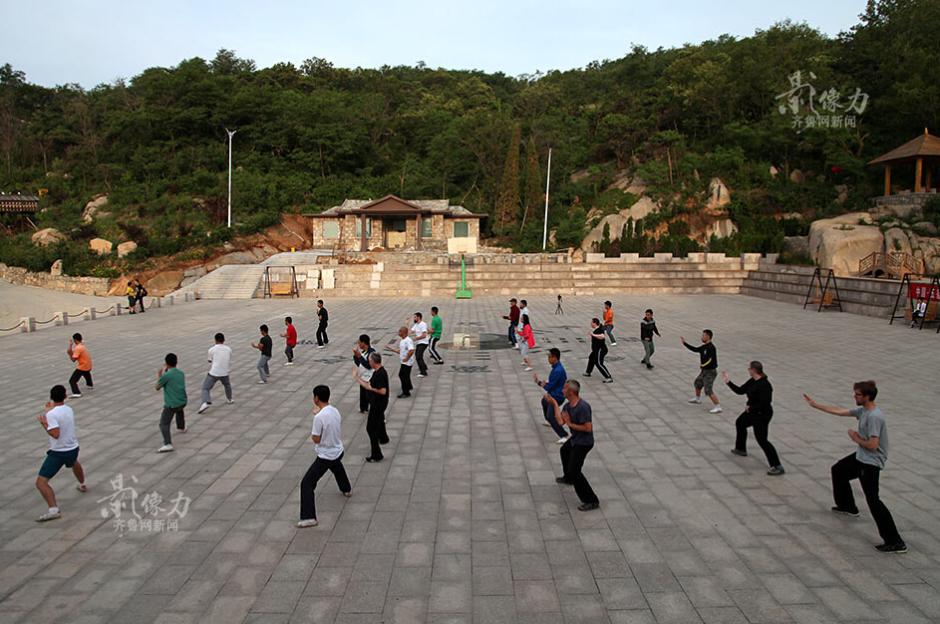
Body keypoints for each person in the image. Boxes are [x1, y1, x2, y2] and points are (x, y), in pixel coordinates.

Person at [803, 382, 907, 554]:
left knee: (874, 501)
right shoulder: (863, 410)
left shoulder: (874, 416)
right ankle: (847, 506)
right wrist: (816, 405)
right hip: (861, 457)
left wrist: (855, 438)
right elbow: (841, 411)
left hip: (870, 462)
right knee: (838, 470)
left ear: (867, 396)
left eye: (858, 395)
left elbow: (873, 445)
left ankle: (895, 541)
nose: (855, 397)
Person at [297, 385, 352, 528]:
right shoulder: (334, 410)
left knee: (307, 483)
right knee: (337, 466)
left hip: (326, 455)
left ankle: (308, 517)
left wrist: (316, 416)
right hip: (337, 449)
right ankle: (346, 488)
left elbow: (316, 438)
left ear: (316, 398)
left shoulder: (319, 417)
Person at [722, 362, 784, 475]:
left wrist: (751, 407)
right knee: (740, 423)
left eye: (749, 368)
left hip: (762, 415)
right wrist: (728, 382)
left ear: (754, 370)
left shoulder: (765, 385)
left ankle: (777, 465)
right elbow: (740, 391)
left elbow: (765, 403)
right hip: (752, 411)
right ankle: (740, 448)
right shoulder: (753, 381)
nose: (748, 370)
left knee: (762, 440)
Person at [35, 385, 86, 522]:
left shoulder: (51, 415)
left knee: (41, 483)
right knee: (74, 462)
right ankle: (82, 483)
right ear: (65, 396)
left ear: (51, 397)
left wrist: (44, 423)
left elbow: (55, 434)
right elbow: (60, 415)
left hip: (59, 452)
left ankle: (53, 510)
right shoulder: (69, 409)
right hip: (73, 448)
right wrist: (50, 412)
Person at [546, 380, 599, 511]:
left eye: (564, 388)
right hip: (575, 439)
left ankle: (591, 500)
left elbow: (588, 428)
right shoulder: (568, 406)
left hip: (584, 443)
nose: (562, 390)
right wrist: (554, 404)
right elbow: (560, 421)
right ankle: (568, 478)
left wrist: (570, 424)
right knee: (564, 450)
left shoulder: (583, 407)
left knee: (575, 470)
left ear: (571, 392)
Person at [354, 352, 390, 462]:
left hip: (377, 405)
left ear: (374, 361)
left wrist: (371, 389)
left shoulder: (380, 374)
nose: (369, 362)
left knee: (370, 428)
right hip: (377, 403)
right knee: (379, 422)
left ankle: (376, 454)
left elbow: (383, 391)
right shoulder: (377, 372)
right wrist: (357, 378)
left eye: (369, 361)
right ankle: (383, 438)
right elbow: (367, 385)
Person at [533, 348, 569, 444]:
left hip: (557, 397)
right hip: (554, 393)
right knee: (544, 401)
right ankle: (549, 421)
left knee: (550, 415)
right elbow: (552, 384)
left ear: (555, 358)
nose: (548, 359)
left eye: (549, 357)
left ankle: (563, 435)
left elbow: (549, 387)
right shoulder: (556, 368)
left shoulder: (558, 371)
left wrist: (539, 382)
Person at [681, 330, 722, 413]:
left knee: (708, 390)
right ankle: (697, 398)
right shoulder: (703, 347)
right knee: (698, 383)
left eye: (703, 335)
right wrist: (685, 343)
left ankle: (718, 406)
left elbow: (711, 360)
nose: (702, 337)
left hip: (710, 372)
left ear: (708, 336)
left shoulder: (711, 348)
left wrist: (703, 365)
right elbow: (695, 349)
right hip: (704, 371)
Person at [155, 353, 187, 453]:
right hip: (182, 401)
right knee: (179, 410)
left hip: (171, 404)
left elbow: (157, 387)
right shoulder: (180, 373)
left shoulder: (167, 375)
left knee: (163, 423)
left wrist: (160, 375)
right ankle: (181, 427)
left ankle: (168, 443)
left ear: (166, 363)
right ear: (176, 362)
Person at [198, 333, 233, 413]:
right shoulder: (228, 349)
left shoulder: (211, 350)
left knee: (205, 388)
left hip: (214, 372)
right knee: (227, 385)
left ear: (215, 340)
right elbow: (229, 358)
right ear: (224, 340)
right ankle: (229, 399)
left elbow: (209, 360)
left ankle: (206, 402)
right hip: (225, 372)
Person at [385, 326, 415, 398]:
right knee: (405, 375)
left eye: (400, 331)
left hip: (407, 363)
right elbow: (400, 351)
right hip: (403, 362)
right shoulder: (402, 340)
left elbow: (411, 350)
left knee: (402, 375)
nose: (399, 333)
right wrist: (391, 349)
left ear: (404, 332)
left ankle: (406, 392)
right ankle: (409, 386)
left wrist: (407, 358)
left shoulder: (408, 340)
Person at [585, 318, 613, 383]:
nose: (590, 324)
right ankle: (588, 372)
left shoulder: (600, 329)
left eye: (591, 322)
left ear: (594, 323)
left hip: (600, 349)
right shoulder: (597, 329)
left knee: (598, 363)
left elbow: (602, 336)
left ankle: (608, 377)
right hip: (595, 349)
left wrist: (593, 334)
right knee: (591, 357)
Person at [352, 334, 375, 413]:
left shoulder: (371, 352)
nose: (358, 344)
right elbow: (359, 363)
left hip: (369, 377)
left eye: (359, 342)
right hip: (363, 376)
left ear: (364, 343)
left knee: (369, 394)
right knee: (362, 393)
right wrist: (356, 356)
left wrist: (359, 356)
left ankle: (374, 409)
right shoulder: (363, 351)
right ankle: (363, 408)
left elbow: (369, 365)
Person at [67, 333, 93, 398]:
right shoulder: (82, 345)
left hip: (83, 366)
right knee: (86, 373)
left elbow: (73, 359)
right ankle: (90, 384)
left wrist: (69, 353)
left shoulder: (78, 348)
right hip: (88, 365)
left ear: (75, 340)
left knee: (72, 380)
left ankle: (76, 393)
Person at [411, 312, 430, 377]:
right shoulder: (416, 324)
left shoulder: (423, 324)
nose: (414, 318)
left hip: (424, 342)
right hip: (419, 343)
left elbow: (424, 335)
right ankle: (424, 367)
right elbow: (410, 332)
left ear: (419, 317)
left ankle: (423, 372)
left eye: (415, 317)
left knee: (418, 356)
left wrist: (416, 338)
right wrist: (407, 324)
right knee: (418, 356)